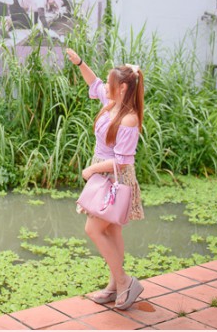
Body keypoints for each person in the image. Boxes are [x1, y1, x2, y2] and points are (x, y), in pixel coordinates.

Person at [65, 48, 146, 310]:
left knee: (93, 228)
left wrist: (92, 170)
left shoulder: (129, 119)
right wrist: (79, 62)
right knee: (111, 229)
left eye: (112, 84)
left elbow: (122, 162)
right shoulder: (111, 103)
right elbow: (94, 83)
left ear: (122, 87)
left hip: (115, 177)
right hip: (103, 173)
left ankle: (124, 282)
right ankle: (114, 286)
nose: (106, 87)